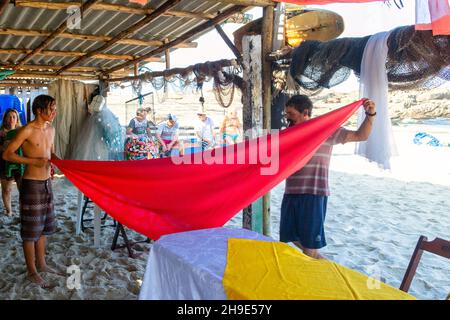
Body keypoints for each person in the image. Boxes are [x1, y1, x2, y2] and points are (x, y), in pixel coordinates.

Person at [280, 95, 376, 259]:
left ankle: (315, 270)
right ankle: (320, 262)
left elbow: (361, 136)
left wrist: (370, 115)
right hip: (291, 192)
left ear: (305, 113)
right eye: (286, 114)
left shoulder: (325, 131)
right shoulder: (288, 134)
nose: (287, 117)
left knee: (310, 245)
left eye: (291, 114)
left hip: (314, 193)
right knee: (290, 236)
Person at [2, 94, 58, 288]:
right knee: (30, 231)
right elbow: (7, 153)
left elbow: (50, 152)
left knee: (43, 227)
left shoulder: (51, 129)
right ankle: (31, 271)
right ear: (39, 110)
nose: (54, 112)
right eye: (51, 109)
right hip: (31, 184)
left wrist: (60, 162)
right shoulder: (26, 130)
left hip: (47, 183)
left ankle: (42, 264)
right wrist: (33, 161)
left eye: (55, 108)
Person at [0, 108, 23, 216]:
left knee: (23, 190)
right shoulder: (0, 133)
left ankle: (23, 211)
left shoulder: (22, 132)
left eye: (14, 116)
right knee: (6, 190)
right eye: (9, 116)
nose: (11, 119)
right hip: (4, 164)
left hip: (20, 164)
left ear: (17, 119)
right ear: (5, 119)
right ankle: (9, 210)